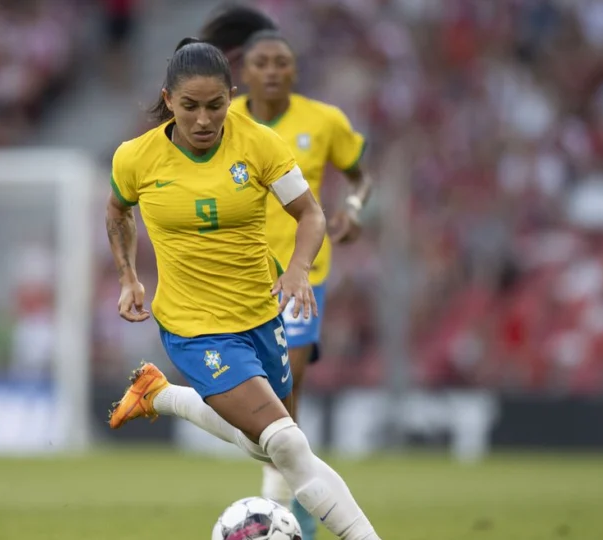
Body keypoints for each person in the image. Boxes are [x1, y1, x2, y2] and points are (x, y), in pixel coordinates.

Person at [105, 36, 380, 540]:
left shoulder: (257, 143)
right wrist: (128, 276)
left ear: (231, 96)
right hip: (193, 330)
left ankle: (161, 396)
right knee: (289, 445)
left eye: (216, 106)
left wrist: (298, 268)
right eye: (190, 107)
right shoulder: (136, 157)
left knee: (270, 446)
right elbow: (118, 210)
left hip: (259, 315)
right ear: (168, 100)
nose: (205, 120)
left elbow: (310, 213)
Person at [200, 6, 373, 539]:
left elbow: (360, 176)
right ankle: (294, 493)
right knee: (260, 396)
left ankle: (284, 503)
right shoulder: (223, 122)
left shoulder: (324, 121)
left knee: (287, 382)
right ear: (243, 72)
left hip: (300, 273)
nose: (273, 71)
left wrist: (356, 209)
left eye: (283, 62)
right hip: (239, 272)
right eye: (262, 63)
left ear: (295, 71)